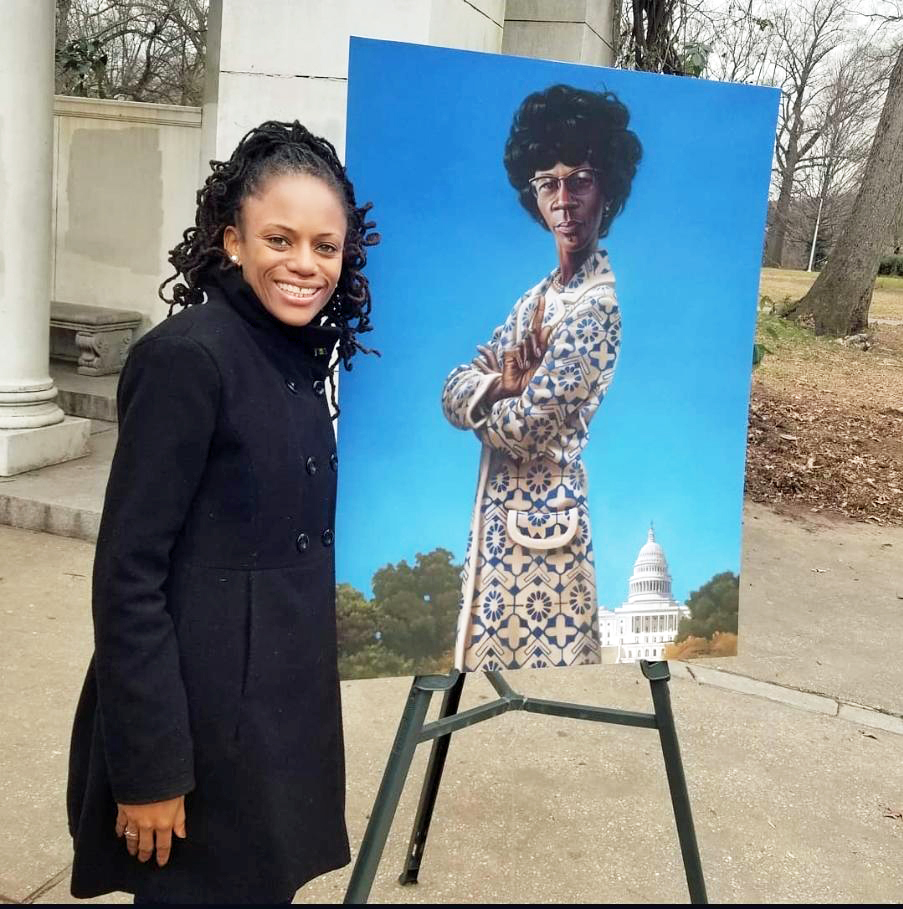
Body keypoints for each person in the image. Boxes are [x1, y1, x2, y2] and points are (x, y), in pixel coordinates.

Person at [66, 120, 378, 904]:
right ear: (233, 241)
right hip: (196, 741)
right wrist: (152, 769)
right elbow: (128, 577)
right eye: (280, 239)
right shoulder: (187, 358)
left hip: (272, 734)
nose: (304, 265)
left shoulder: (296, 357)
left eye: (325, 246)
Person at [441, 84, 641, 672]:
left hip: (548, 534)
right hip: (497, 531)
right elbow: (454, 387)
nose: (564, 199)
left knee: (552, 688)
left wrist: (495, 403)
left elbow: (525, 431)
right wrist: (502, 386)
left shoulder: (597, 309)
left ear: (608, 188)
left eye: (579, 179)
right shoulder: (536, 300)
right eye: (548, 183)